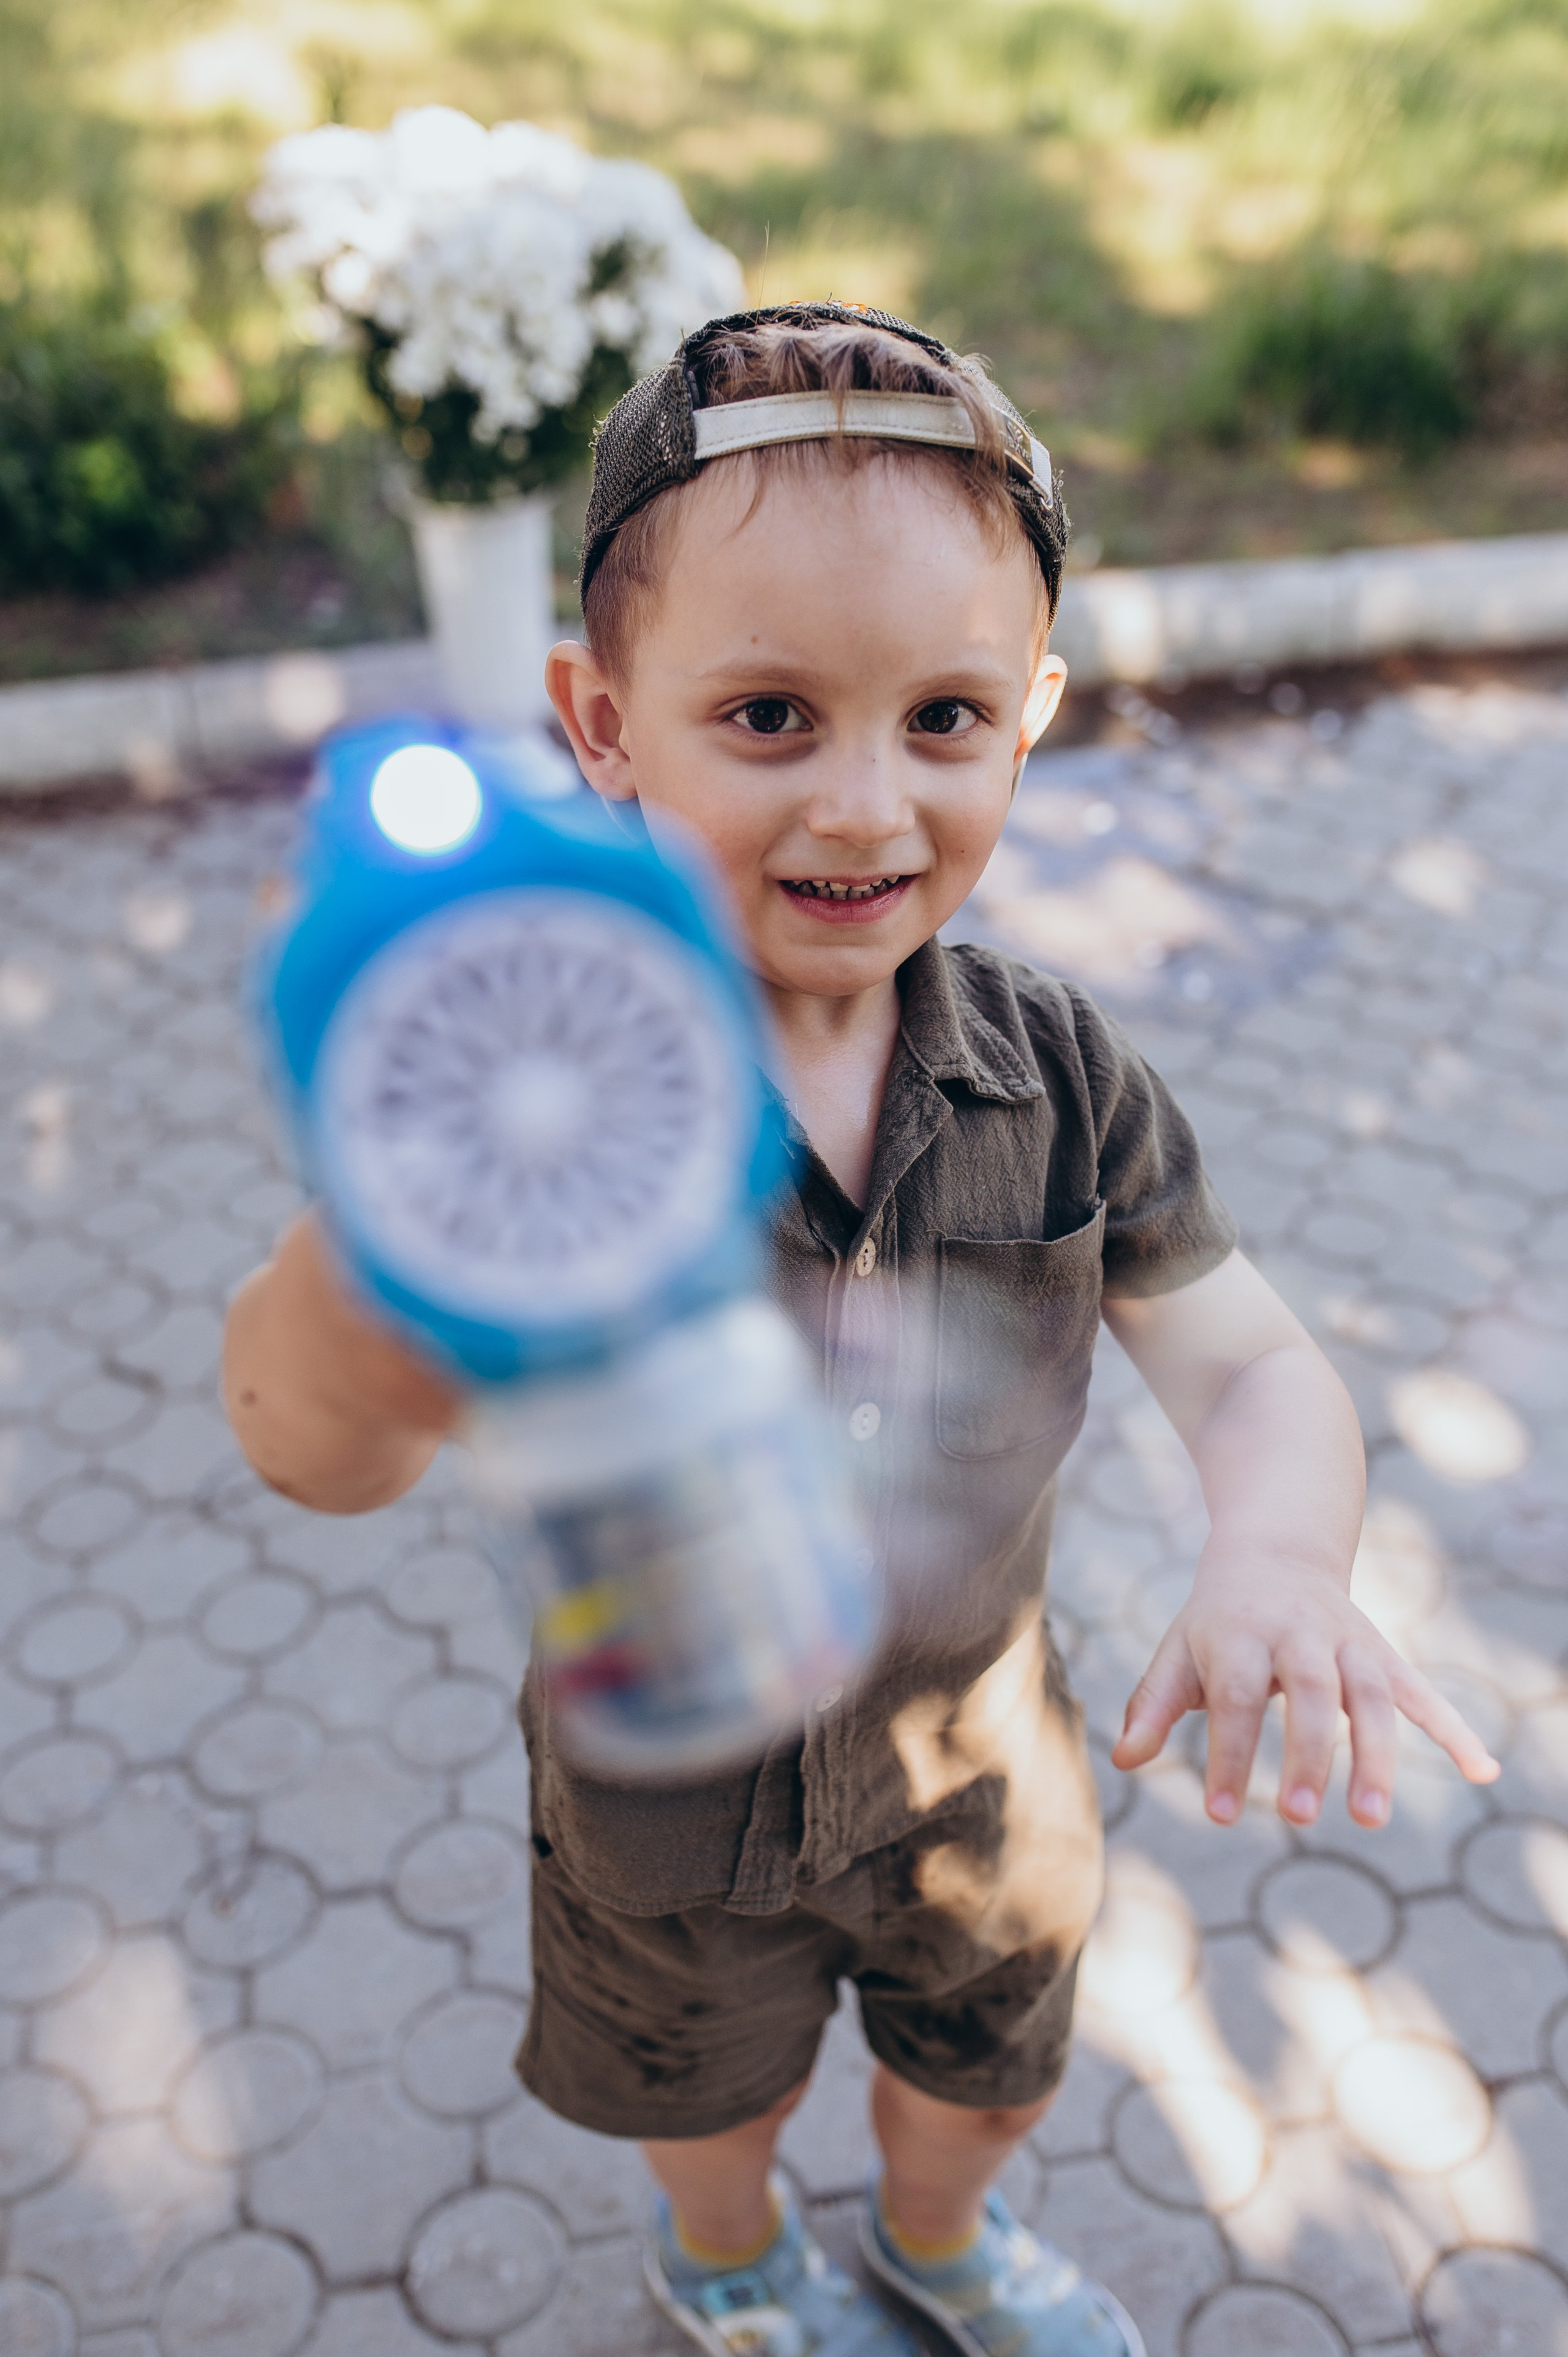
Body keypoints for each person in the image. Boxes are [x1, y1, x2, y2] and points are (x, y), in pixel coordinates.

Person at [224, 303, 1499, 2357]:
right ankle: (728, 2260)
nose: (863, 806)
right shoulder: (537, 1102)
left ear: (1034, 716)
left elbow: (1252, 1362)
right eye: (768, 716)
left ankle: (941, 2240)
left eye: (943, 719)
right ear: (602, 722)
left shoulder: (1065, 1077)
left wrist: (1280, 1554)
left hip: (984, 1784)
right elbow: (314, 1447)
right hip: (667, 1810)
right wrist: (370, 1294)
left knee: (986, 2081)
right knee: (707, 2103)